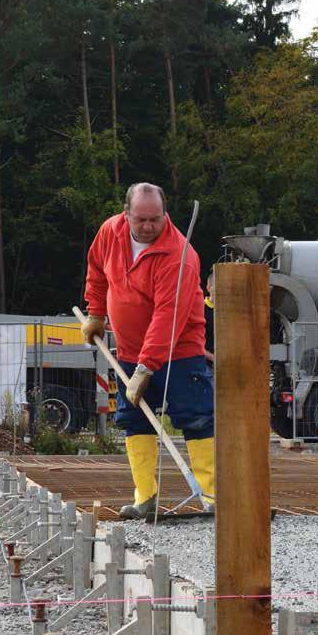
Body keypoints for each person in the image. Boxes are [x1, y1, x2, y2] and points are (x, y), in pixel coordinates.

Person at [81, 182, 214, 519]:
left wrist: (146, 367)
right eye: (141, 219)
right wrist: (96, 313)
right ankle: (145, 497)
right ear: (126, 215)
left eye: (155, 219)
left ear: (164, 214)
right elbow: (97, 270)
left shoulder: (179, 256)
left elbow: (167, 317)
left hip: (179, 352)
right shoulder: (110, 233)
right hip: (128, 349)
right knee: (134, 419)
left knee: (196, 417)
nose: (148, 226)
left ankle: (212, 496)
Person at [203, 270, 215, 368]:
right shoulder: (199, 310)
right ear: (209, 288)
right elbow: (194, 344)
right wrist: (213, 358)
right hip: (206, 366)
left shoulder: (230, 311)